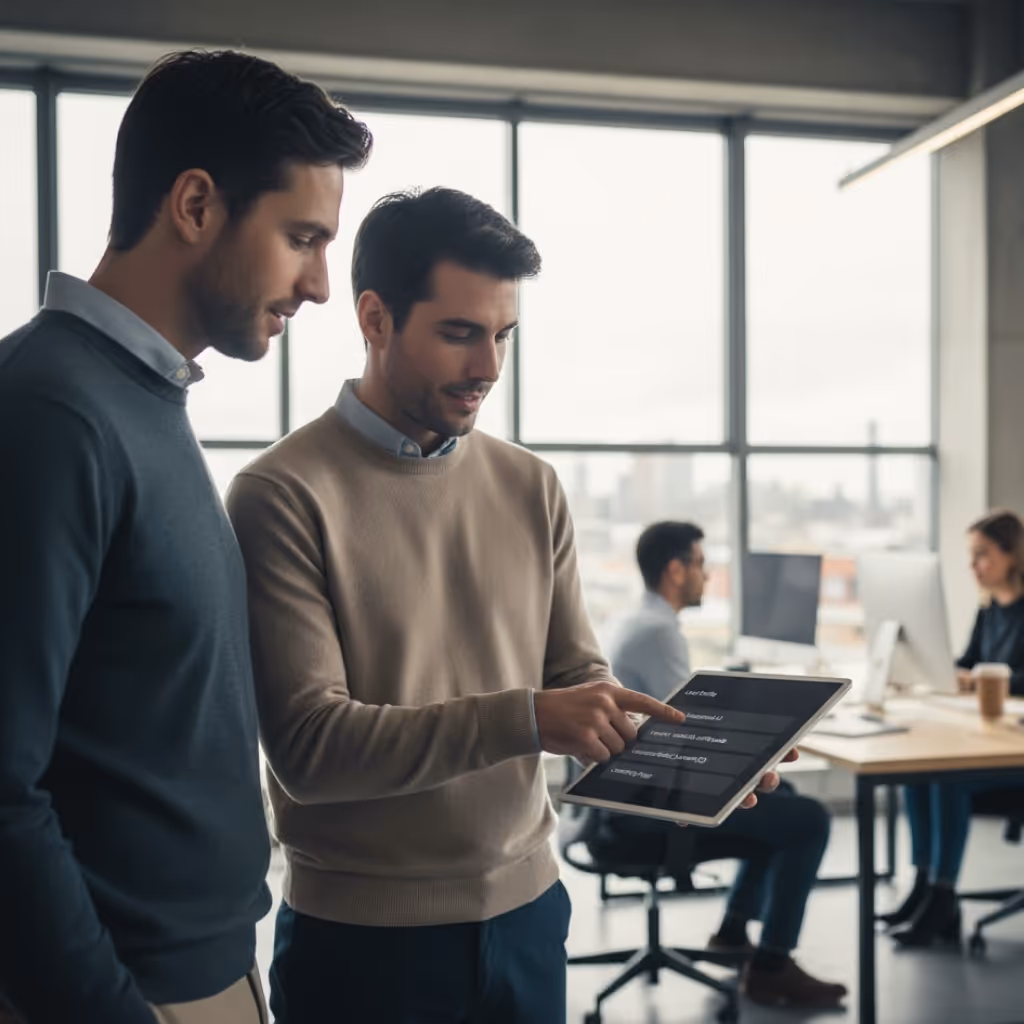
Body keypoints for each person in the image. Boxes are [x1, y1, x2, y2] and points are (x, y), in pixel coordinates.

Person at [226, 188, 785, 1024]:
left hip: (529, 916)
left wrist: (695, 766)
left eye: (502, 336)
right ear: (374, 318)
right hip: (364, 943)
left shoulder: (532, 486)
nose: (487, 366)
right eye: (459, 333)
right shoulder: (280, 494)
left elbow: (578, 680)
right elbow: (310, 750)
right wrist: (524, 718)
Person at [0, 50, 371, 1024]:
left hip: (202, 967)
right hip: (129, 988)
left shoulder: (137, 399)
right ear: (197, 205)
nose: (322, 285)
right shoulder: (52, 410)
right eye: (302, 236)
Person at [602, 521, 847, 1009]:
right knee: (809, 821)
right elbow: (691, 731)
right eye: (700, 563)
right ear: (676, 570)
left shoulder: (642, 620)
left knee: (783, 800)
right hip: (645, 813)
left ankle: (734, 932)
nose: (707, 575)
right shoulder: (658, 632)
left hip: (624, 796)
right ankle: (773, 967)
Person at [883, 509, 1024, 948]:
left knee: (949, 778)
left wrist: (980, 677)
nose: (974, 566)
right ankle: (925, 885)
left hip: (1015, 754)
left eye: (982, 555)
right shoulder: (990, 610)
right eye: (971, 556)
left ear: (1012, 555)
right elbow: (966, 661)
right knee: (918, 774)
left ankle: (944, 897)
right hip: (997, 738)